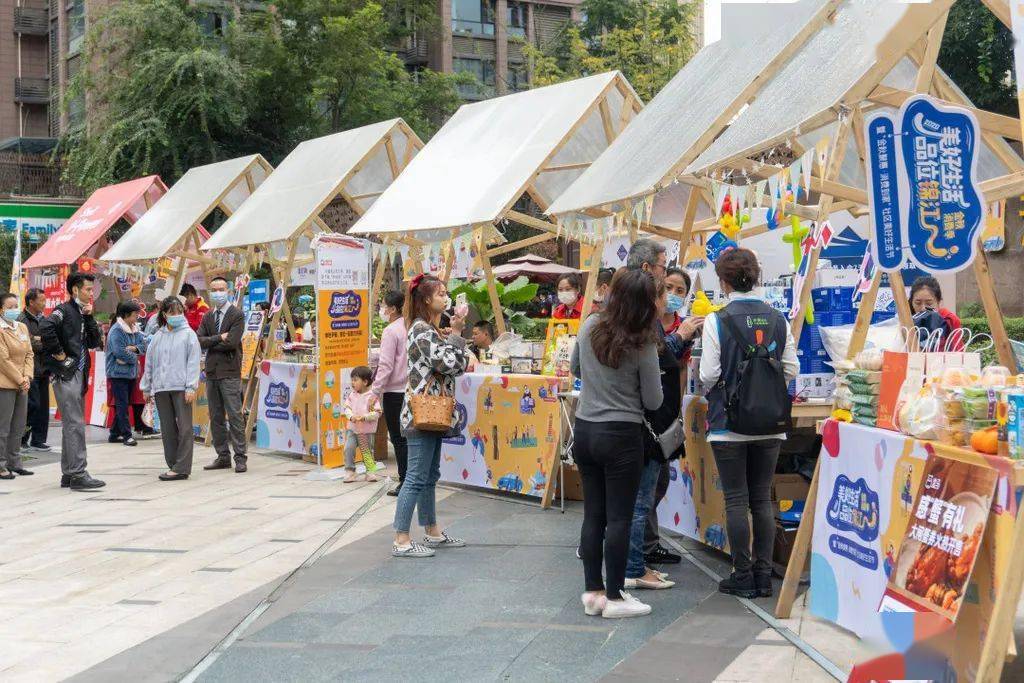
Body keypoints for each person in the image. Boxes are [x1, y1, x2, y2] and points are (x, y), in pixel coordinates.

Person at [699, 248, 798, 599]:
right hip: (771, 422)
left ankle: (741, 574)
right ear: (755, 276)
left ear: (723, 281)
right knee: (762, 499)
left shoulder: (717, 320)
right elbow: (791, 370)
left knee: (737, 500)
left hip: (728, 423)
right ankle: (762, 575)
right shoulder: (778, 318)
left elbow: (708, 374)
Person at [571, 269, 663, 618]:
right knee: (620, 518)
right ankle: (614, 596)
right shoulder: (643, 344)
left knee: (593, 514)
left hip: (585, 429)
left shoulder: (589, 326)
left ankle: (592, 592)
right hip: (622, 436)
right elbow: (653, 401)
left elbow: (577, 369)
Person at [392, 274, 470, 559]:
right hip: (420, 413)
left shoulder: (431, 330)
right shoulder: (422, 330)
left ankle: (432, 530)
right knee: (415, 476)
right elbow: (451, 364)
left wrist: (453, 340)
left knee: (429, 476)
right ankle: (401, 539)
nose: (446, 298)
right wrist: (459, 336)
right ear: (426, 299)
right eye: (441, 294)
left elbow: (454, 363)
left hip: (433, 412)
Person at [644, 268, 704, 566]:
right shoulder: (649, 324)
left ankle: (645, 541)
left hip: (668, 411)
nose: (673, 294)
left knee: (659, 480)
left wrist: (677, 408)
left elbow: (683, 371)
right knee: (650, 481)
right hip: (647, 411)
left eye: (680, 290)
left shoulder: (688, 326)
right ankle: (642, 542)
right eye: (668, 287)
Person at [40, 272, 104, 490]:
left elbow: (94, 341)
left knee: (72, 423)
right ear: (75, 289)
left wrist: (89, 317)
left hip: (79, 373)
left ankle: (69, 472)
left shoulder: (80, 312)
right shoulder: (63, 310)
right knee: (75, 423)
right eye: (87, 289)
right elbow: (46, 328)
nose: (90, 293)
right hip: (67, 373)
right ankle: (78, 473)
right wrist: (60, 355)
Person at [141, 297, 201, 481]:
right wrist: (146, 386)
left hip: (181, 387)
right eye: (172, 312)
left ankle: (182, 466)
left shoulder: (189, 334)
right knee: (167, 428)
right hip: (161, 388)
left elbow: (193, 362)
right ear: (164, 314)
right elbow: (149, 363)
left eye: (179, 312)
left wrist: (191, 386)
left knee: (184, 428)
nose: (176, 316)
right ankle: (173, 463)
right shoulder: (158, 336)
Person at [197, 277, 247, 473]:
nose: (217, 292)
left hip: (230, 372)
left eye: (221, 289)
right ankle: (222, 456)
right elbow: (199, 340)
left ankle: (240, 457)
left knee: (235, 415)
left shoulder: (236, 315)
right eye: (214, 289)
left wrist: (212, 342)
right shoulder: (208, 316)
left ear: (229, 290)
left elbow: (231, 342)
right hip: (211, 372)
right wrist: (218, 337)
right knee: (216, 415)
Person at [371, 290, 408, 497]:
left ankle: (405, 481)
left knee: (398, 438)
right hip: (410, 390)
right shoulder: (409, 327)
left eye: (383, 305)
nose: (381, 309)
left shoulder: (391, 331)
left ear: (393, 309)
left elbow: (385, 365)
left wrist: (375, 391)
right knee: (409, 438)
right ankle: (410, 478)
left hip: (394, 392)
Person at [105, 301, 148, 447]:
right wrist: (135, 357)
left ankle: (114, 433)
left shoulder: (135, 328)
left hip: (130, 373)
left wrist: (134, 349)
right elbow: (119, 351)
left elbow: (143, 346)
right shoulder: (117, 330)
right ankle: (127, 435)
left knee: (123, 403)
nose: (137, 317)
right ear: (126, 315)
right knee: (122, 404)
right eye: (135, 314)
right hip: (117, 373)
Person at [0, 293, 33, 479]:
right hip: (5, 383)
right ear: (1, 310)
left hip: (23, 383)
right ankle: (1, 464)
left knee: (18, 425)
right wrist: (20, 379)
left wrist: (27, 376)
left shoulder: (22, 327)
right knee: (3, 426)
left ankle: (15, 462)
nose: (14, 310)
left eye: (15, 306)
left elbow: (29, 354)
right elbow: (3, 360)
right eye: (10, 307)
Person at [18, 288, 51, 452]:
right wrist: (42, 341)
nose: (44, 304)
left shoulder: (44, 319)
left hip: (44, 369)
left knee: (43, 407)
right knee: (31, 405)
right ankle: (22, 438)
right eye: (41, 300)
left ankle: (38, 440)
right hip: (30, 370)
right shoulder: (22, 320)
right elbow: (28, 344)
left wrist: (41, 340)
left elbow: (51, 339)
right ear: (31, 302)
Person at [343, 366, 383, 483]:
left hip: (366, 430)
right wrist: (351, 416)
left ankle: (370, 471)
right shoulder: (352, 395)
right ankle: (350, 471)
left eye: (355, 380)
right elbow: (346, 408)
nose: (352, 383)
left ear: (365, 382)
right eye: (352, 380)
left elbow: (377, 413)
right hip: (352, 429)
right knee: (348, 448)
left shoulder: (372, 397)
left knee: (367, 451)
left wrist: (365, 417)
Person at [909, 276, 963, 351]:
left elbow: (958, 353)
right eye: (918, 303)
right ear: (911, 302)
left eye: (929, 303)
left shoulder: (949, 319)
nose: (923, 308)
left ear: (939, 302)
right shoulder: (906, 321)